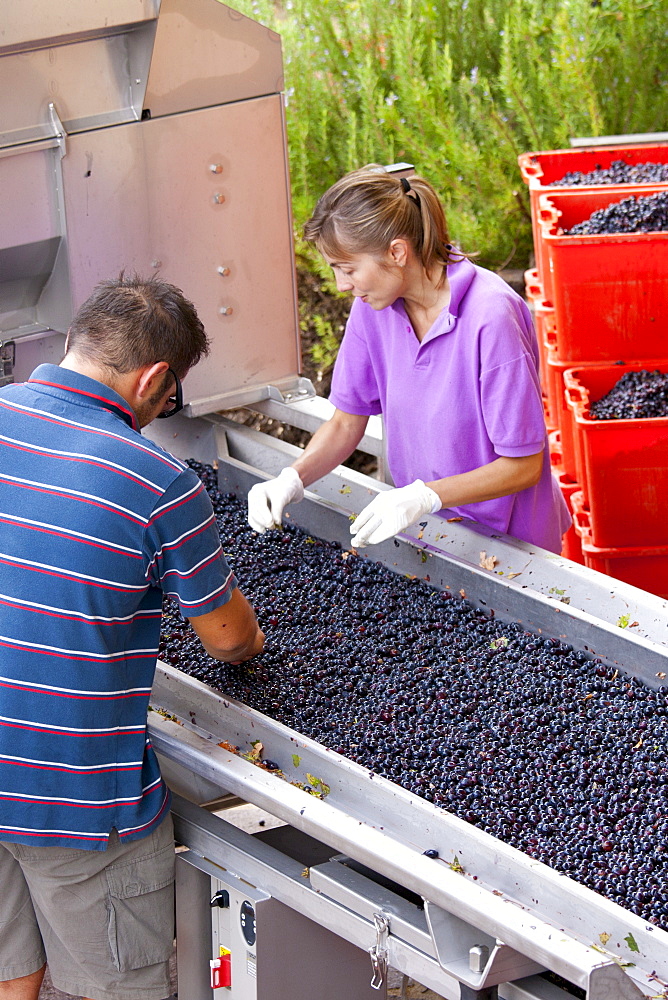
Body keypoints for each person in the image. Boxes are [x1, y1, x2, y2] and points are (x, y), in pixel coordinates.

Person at [0, 275, 264, 1000]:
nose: (161, 413)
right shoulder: (157, 481)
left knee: (10, 974)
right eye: (168, 396)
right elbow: (228, 640)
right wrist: (252, 634)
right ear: (154, 378)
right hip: (75, 798)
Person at [248, 165, 571, 553]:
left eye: (348, 269)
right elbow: (346, 423)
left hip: (513, 546)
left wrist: (423, 496)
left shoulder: (492, 317)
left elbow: (522, 465)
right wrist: (292, 478)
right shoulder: (372, 309)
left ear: (397, 252)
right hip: (432, 534)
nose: (341, 285)